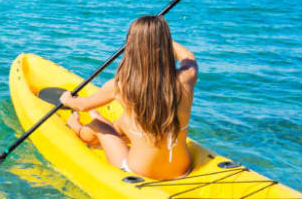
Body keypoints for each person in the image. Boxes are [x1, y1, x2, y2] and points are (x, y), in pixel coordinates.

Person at [59, 15, 198, 180]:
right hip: (182, 170)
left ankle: (78, 127)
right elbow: (188, 57)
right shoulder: (187, 77)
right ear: (165, 44)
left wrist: (67, 99)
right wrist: (160, 36)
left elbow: (82, 105)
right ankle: (109, 124)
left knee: (98, 125)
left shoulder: (121, 85)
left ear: (132, 45)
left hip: (139, 172)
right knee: (126, 120)